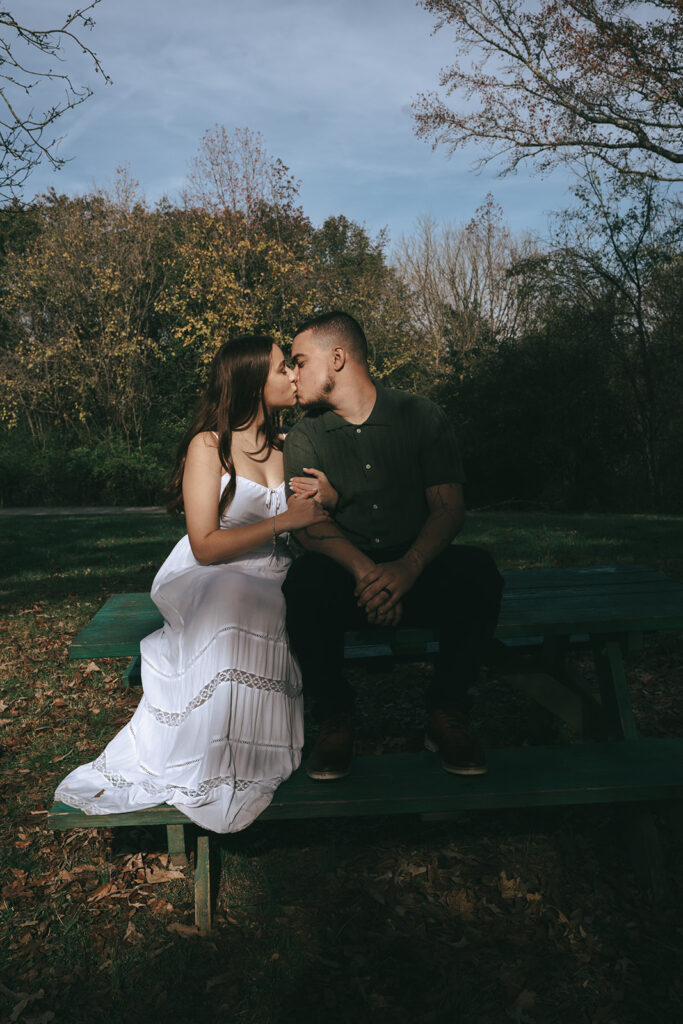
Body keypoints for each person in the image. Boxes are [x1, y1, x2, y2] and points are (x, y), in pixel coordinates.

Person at [55, 335, 330, 833]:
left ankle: (251, 752)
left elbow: (313, 526)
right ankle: (210, 757)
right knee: (235, 599)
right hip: (217, 571)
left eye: (292, 366)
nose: (293, 374)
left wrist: (328, 498)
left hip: (280, 572)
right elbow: (203, 543)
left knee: (280, 603)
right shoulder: (209, 446)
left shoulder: (292, 446)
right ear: (251, 383)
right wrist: (283, 522)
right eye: (281, 368)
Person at [283, 311, 504, 781]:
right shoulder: (306, 435)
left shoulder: (419, 415)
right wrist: (368, 573)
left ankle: (447, 712)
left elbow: (449, 509)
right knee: (304, 581)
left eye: (300, 361)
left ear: (337, 358)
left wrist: (406, 570)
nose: (292, 374)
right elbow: (307, 525)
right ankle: (337, 716)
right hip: (348, 579)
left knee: (478, 572)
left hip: (418, 571)